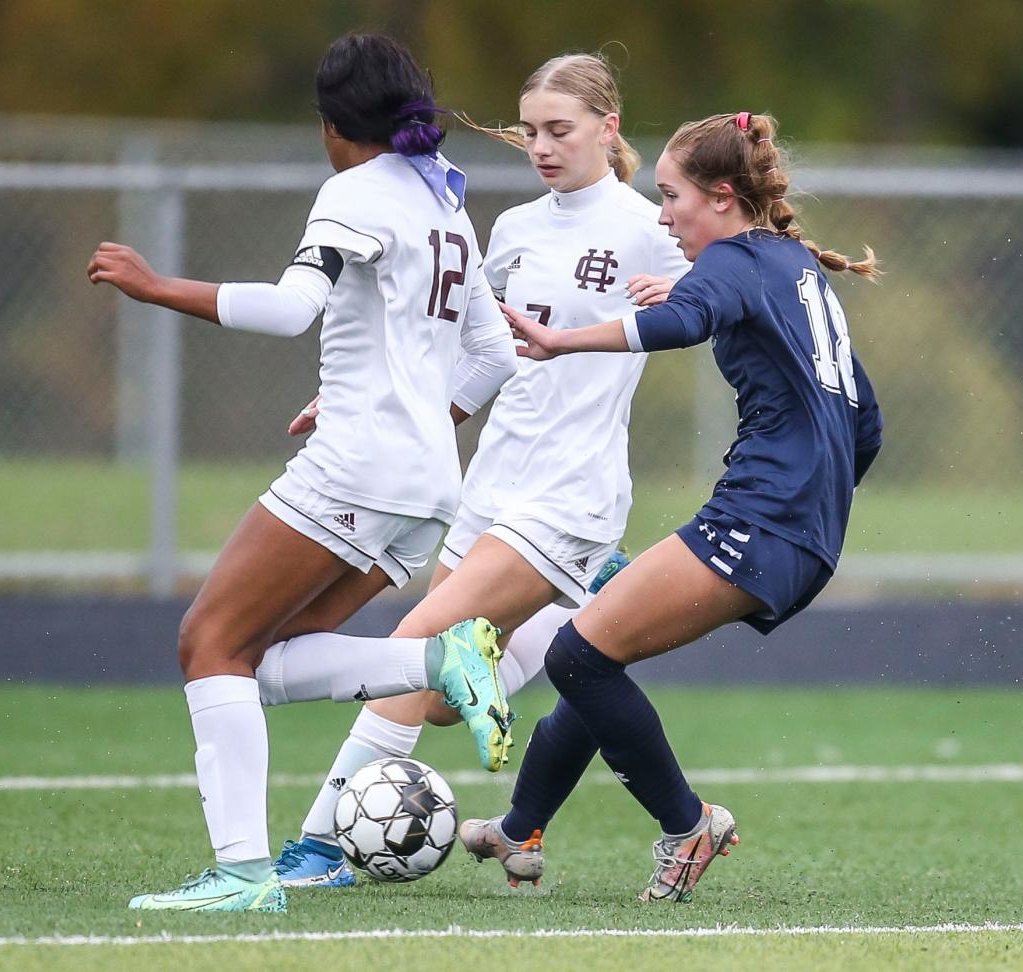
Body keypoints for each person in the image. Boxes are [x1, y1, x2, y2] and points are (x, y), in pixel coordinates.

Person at [86, 33, 518, 913]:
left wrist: (155, 285)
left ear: (331, 126)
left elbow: (289, 311)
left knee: (207, 643)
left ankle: (244, 876)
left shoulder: (353, 190)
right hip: (427, 484)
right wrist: (416, 421)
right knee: (256, 659)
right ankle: (438, 662)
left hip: (356, 469)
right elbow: (494, 356)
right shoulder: (444, 201)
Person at [269, 52, 691, 889]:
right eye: (529, 130)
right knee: (428, 693)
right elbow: (479, 355)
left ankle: (319, 849)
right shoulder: (516, 229)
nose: (540, 145)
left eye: (559, 130)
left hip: (570, 493)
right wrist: (374, 407)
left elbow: (724, 304)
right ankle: (584, 592)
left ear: (609, 129)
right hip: (489, 487)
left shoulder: (652, 230)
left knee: (412, 650)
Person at [463, 111, 884, 902]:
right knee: (600, 640)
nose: (662, 216)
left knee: (578, 656)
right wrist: (814, 508)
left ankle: (687, 825)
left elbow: (682, 321)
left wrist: (564, 340)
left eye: (671, 196)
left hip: (763, 522)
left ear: (722, 197)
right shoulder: (791, 264)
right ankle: (520, 827)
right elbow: (866, 422)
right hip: (791, 529)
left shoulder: (731, 260)